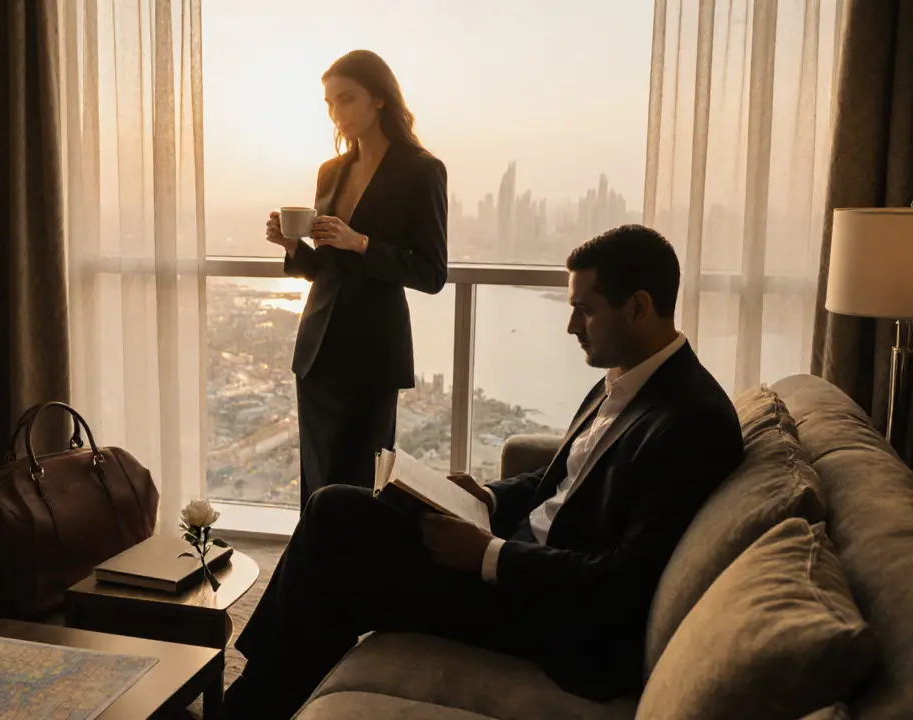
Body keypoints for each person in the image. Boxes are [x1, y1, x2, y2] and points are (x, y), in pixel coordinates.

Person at [226, 225, 745, 719]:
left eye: (584, 311)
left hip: (551, 613)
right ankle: (254, 681)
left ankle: (248, 706)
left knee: (338, 581)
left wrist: (487, 556)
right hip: (515, 550)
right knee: (332, 506)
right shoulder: (628, 376)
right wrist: (488, 499)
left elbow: (621, 582)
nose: (571, 327)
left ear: (638, 307)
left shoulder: (693, 421)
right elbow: (565, 479)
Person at [265, 50, 448, 510]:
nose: (336, 113)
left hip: (372, 355)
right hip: (318, 353)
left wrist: (362, 243)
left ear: (380, 98)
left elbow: (431, 273)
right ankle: (315, 557)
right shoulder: (331, 172)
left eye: (346, 99)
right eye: (329, 103)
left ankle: (357, 559)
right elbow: (326, 270)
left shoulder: (421, 171)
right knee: (317, 481)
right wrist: (292, 247)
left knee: (360, 487)